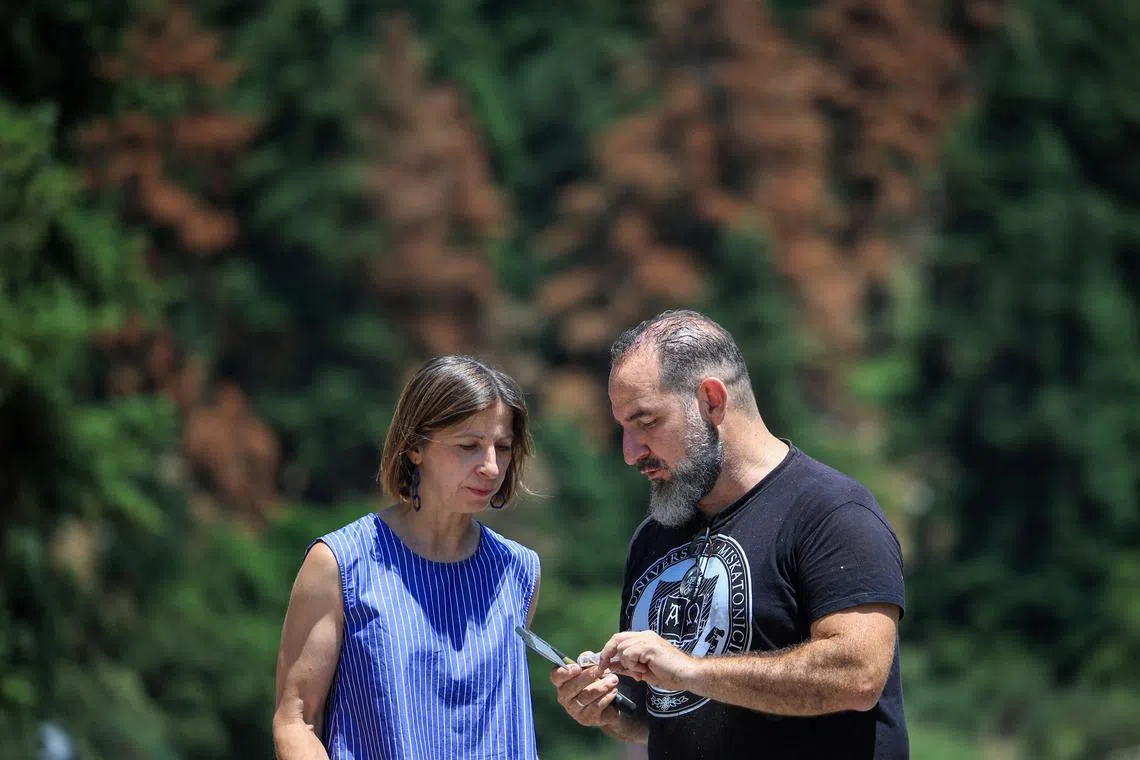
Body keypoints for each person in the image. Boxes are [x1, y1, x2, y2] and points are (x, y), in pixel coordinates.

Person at [550, 310, 908, 759]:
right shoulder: (654, 536)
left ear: (711, 401)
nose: (630, 452)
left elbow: (857, 676)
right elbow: (663, 712)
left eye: (645, 422)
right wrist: (610, 710)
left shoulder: (832, 512)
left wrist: (691, 670)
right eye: (623, 428)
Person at [273, 355, 542, 760]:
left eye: (502, 448)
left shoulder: (520, 570)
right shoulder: (339, 563)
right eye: (468, 446)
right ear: (415, 448)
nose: (491, 467)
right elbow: (296, 721)